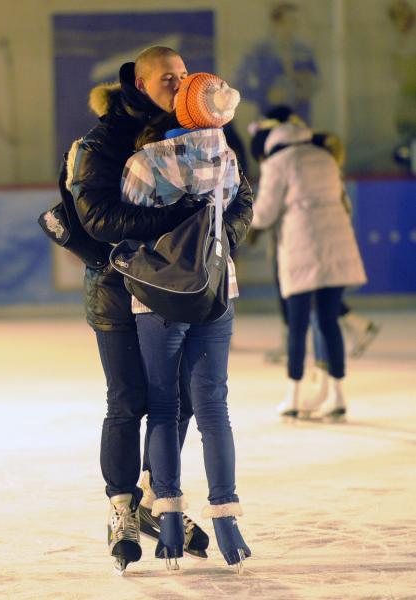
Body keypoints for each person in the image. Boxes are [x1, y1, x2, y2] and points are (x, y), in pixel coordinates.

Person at [67, 47, 253, 573]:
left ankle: (155, 495)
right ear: (142, 83)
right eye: (167, 78)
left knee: (184, 402)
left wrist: (214, 243)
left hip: (184, 287)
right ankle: (122, 506)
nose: (178, 84)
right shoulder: (103, 141)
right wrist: (179, 229)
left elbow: (242, 200)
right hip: (117, 288)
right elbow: (98, 218)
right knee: (128, 401)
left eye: (182, 75)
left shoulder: (202, 126)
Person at [119, 72, 252, 572]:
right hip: (217, 290)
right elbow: (233, 212)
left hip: (160, 295)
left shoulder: (146, 161)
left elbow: (128, 221)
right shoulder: (229, 159)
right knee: (213, 409)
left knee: (163, 406)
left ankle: (169, 516)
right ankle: (226, 520)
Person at [249, 108, 367, 420]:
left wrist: (247, 220)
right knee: (329, 321)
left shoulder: (278, 162)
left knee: (297, 323)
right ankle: (338, 396)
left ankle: (293, 397)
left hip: (302, 248)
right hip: (336, 244)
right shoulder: (324, 156)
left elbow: (264, 213)